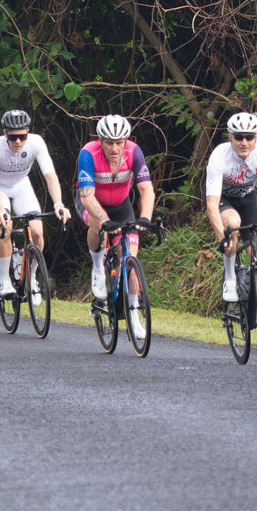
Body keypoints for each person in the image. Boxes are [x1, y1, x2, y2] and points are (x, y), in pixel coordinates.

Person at [77, 114, 156, 341]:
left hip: (122, 206)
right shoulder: (88, 153)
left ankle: (133, 315)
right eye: (109, 142)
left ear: (125, 141)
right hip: (92, 203)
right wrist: (104, 221)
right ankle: (98, 269)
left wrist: (145, 218)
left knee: (130, 258)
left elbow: (146, 189)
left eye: (119, 143)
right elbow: (86, 196)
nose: (114, 148)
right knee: (96, 224)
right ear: (100, 140)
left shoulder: (134, 152)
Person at [0, 110, 71, 301]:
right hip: (0, 189)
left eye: (22, 137)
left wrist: (58, 204)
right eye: (13, 137)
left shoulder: (36, 142)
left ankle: (31, 277)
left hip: (22, 185)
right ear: (5, 133)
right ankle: (5, 280)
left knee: (37, 232)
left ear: (28, 133)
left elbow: (50, 176)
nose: (18, 142)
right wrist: (0, 211)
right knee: (4, 226)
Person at [204, 112, 257, 304]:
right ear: (230, 137)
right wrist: (222, 238)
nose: (244, 142)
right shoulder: (219, 156)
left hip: (247, 200)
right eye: (238, 137)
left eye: (249, 137)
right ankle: (230, 277)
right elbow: (211, 203)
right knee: (233, 223)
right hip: (224, 200)